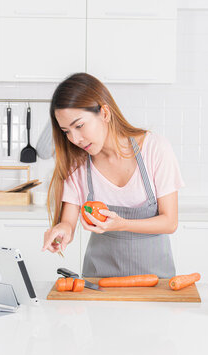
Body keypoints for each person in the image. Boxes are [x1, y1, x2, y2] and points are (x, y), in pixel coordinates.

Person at [42, 73, 184, 278]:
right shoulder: (77, 163)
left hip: (156, 281)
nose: (75, 139)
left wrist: (123, 224)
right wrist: (61, 231)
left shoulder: (155, 148)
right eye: (66, 131)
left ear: (105, 113)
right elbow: (68, 222)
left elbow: (170, 222)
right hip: (99, 280)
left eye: (79, 126)